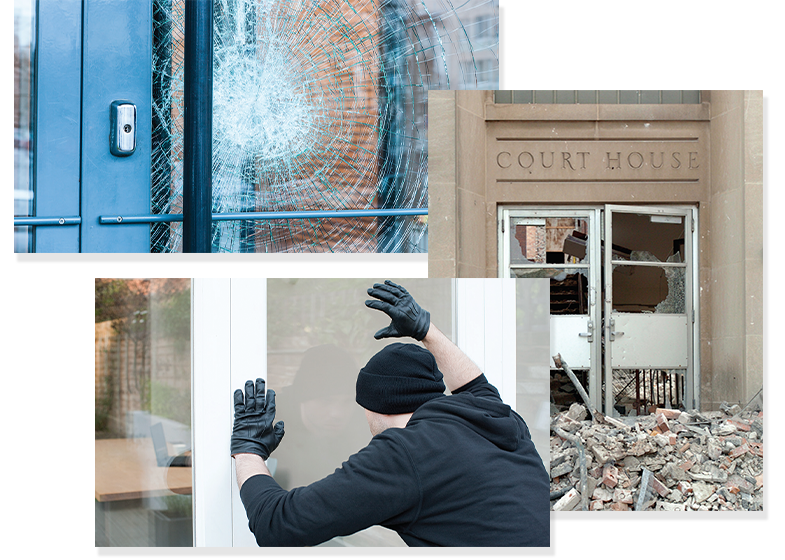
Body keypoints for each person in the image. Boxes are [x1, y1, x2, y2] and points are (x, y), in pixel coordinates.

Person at [231, 280, 549, 547]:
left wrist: (248, 450)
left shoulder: (403, 455)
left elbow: (277, 525)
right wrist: (426, 330)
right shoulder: (490, 414)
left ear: (371, 406)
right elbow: (474, 383)